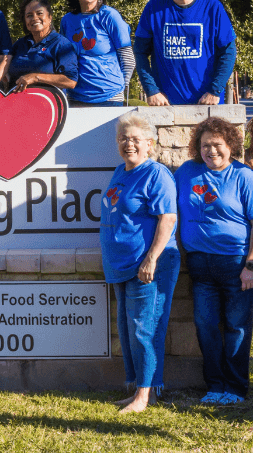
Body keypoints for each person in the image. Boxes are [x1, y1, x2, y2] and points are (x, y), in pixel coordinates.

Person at [176, 116, 253, 404]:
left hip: (237, 264)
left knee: (236, 326)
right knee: (205, 325)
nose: (211, 151)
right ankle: (215, 385)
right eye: (205, 145)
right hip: (199, 265)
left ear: (230, 145)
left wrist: (251, 264)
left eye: (217, 144)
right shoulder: (186, 172)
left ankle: (236, 388)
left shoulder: (244, 176)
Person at [101, 113, 178, 413]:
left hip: (148, 265)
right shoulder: (120, 171)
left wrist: (151, 258)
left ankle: (144, 395)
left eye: (135, 139)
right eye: (123, 139)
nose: (128, 144)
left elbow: (168, 219)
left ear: (150, 144)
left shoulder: (156, 174)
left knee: (145, 329)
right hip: (121, 265)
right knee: (128, 328)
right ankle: (139, 388)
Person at [134, 0, 235, 106]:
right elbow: (140, 51)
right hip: (165, 106)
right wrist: (151, 90)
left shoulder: (213, 8)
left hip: (207, 103)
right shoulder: (153, 8)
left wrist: (215, 90)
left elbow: (228, 52)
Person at [60, 0, 135, 106]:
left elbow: (128, 59)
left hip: (110, 98)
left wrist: (122, 90)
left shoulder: (110, 16)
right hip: (75, 98)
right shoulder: (67, 20)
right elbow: (64, 60)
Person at [6, 0, 79, 93]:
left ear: (50, 17)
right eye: (29, 15)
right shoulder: (19, 45)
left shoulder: (61, 44)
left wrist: (36, 77)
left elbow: (71, 81)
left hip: (46, 101)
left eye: (39, 13)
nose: (34, 18)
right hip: (15, 100)